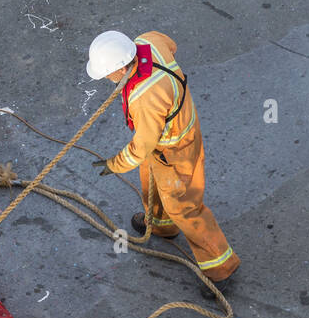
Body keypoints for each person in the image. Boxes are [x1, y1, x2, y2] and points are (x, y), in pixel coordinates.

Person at [87, 29, 240, 291]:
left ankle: (221, 268)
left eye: (108, 74)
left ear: (122, 68)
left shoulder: (145, 97)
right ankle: (160, 225)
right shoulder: (149, 41)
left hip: (176, 148)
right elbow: (172, 43)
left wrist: (115, 164)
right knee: (152, 183)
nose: (107, 79)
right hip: (165, 140)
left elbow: (142, 147)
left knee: (185, 207)